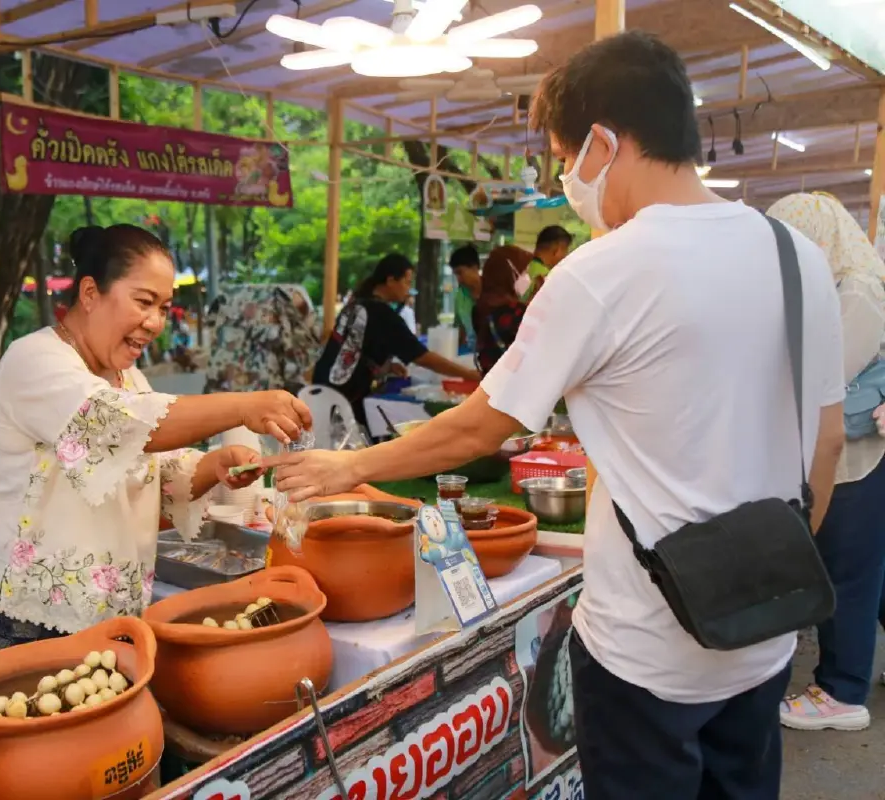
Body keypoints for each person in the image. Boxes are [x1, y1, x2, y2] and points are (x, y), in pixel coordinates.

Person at [268, 32, 846, 800]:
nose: (565, 179)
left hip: (644, 648)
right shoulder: (793, 254)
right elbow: (828, 440)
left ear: (603, 142)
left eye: (562, 156)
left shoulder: (602, 270)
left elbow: (482, 426)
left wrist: (350, 464)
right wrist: (766, 571)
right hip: (764, 631)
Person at [0, 224, 311, 666]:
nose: (155, 323)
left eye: (164, 307)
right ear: (89, 293)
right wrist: (242, 406)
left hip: (105, 618)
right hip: (19, 620)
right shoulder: (35, 361)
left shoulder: (129, 379)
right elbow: (115, 424)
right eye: (143, 302)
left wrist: (217, 464)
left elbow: (159, 472)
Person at [768, 192, 885, 732]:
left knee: (846, 574)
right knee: (869, 573)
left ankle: (842, 691)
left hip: (856, 457)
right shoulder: (847, 280)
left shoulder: (859, 289)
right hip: (851, 451)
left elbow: (824, 373)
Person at [312, 254, 479, 425]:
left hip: (322, 387)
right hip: (344, 396)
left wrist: (386, 366)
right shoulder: (382, 314)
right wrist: (469, 374)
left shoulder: (356, 305)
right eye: (407, 282)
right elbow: (423, 357)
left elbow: (354, 347)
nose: (409, 289)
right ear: (391, 280)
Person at [474, 245, 534, 373]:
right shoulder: (518, 313)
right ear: (509, 273)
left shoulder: (479, 308)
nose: (527, 277)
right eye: (523, 272)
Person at [524, 225, 574, 303]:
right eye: (565, 250)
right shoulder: (547, 277)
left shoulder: (521, 266)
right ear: (557, 250)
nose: (566, 256)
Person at [449, 244, 481, 348]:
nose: (458, 279)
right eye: (455, 275)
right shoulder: (460, 296)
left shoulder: (494, 291)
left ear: (474, 267)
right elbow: (460, 329)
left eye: (460, 273)